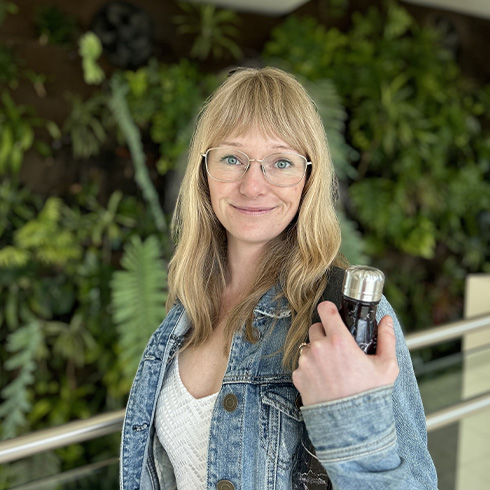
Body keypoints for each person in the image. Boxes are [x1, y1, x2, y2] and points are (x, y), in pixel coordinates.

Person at [120, 67, 438, 489]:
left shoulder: (345, 318)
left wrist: (351, 417)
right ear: (204, 172)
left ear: (308, 179)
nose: (253, 186)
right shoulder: (187, 310)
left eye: (281, 162)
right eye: (232, 158)